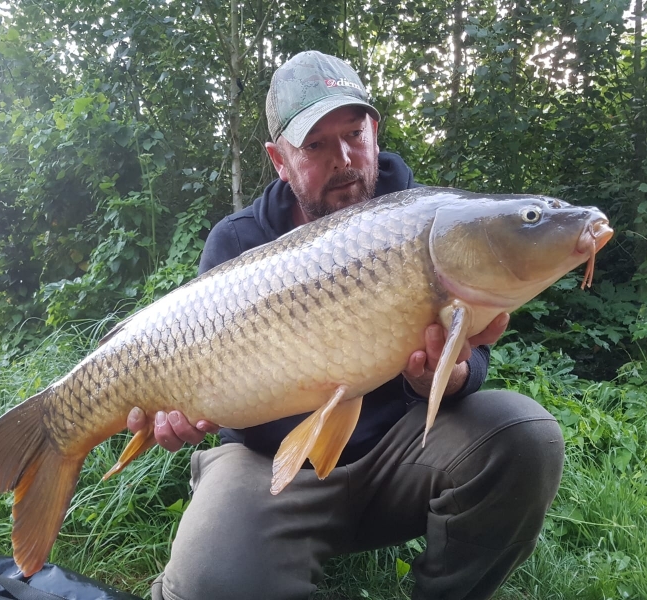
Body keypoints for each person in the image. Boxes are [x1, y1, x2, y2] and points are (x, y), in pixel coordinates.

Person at [128, 51, 564, 600]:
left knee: (525, 434)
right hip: (269, 469)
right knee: (210, 581)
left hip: (398, 455)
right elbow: (219, 405)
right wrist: (190, 413)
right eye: (314, 145)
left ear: (374, 133)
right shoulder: (237, 243)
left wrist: (448, 378)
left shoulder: (426, 220)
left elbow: (472, 347)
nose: (344, 159)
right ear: (279, 160)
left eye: (354, 134)